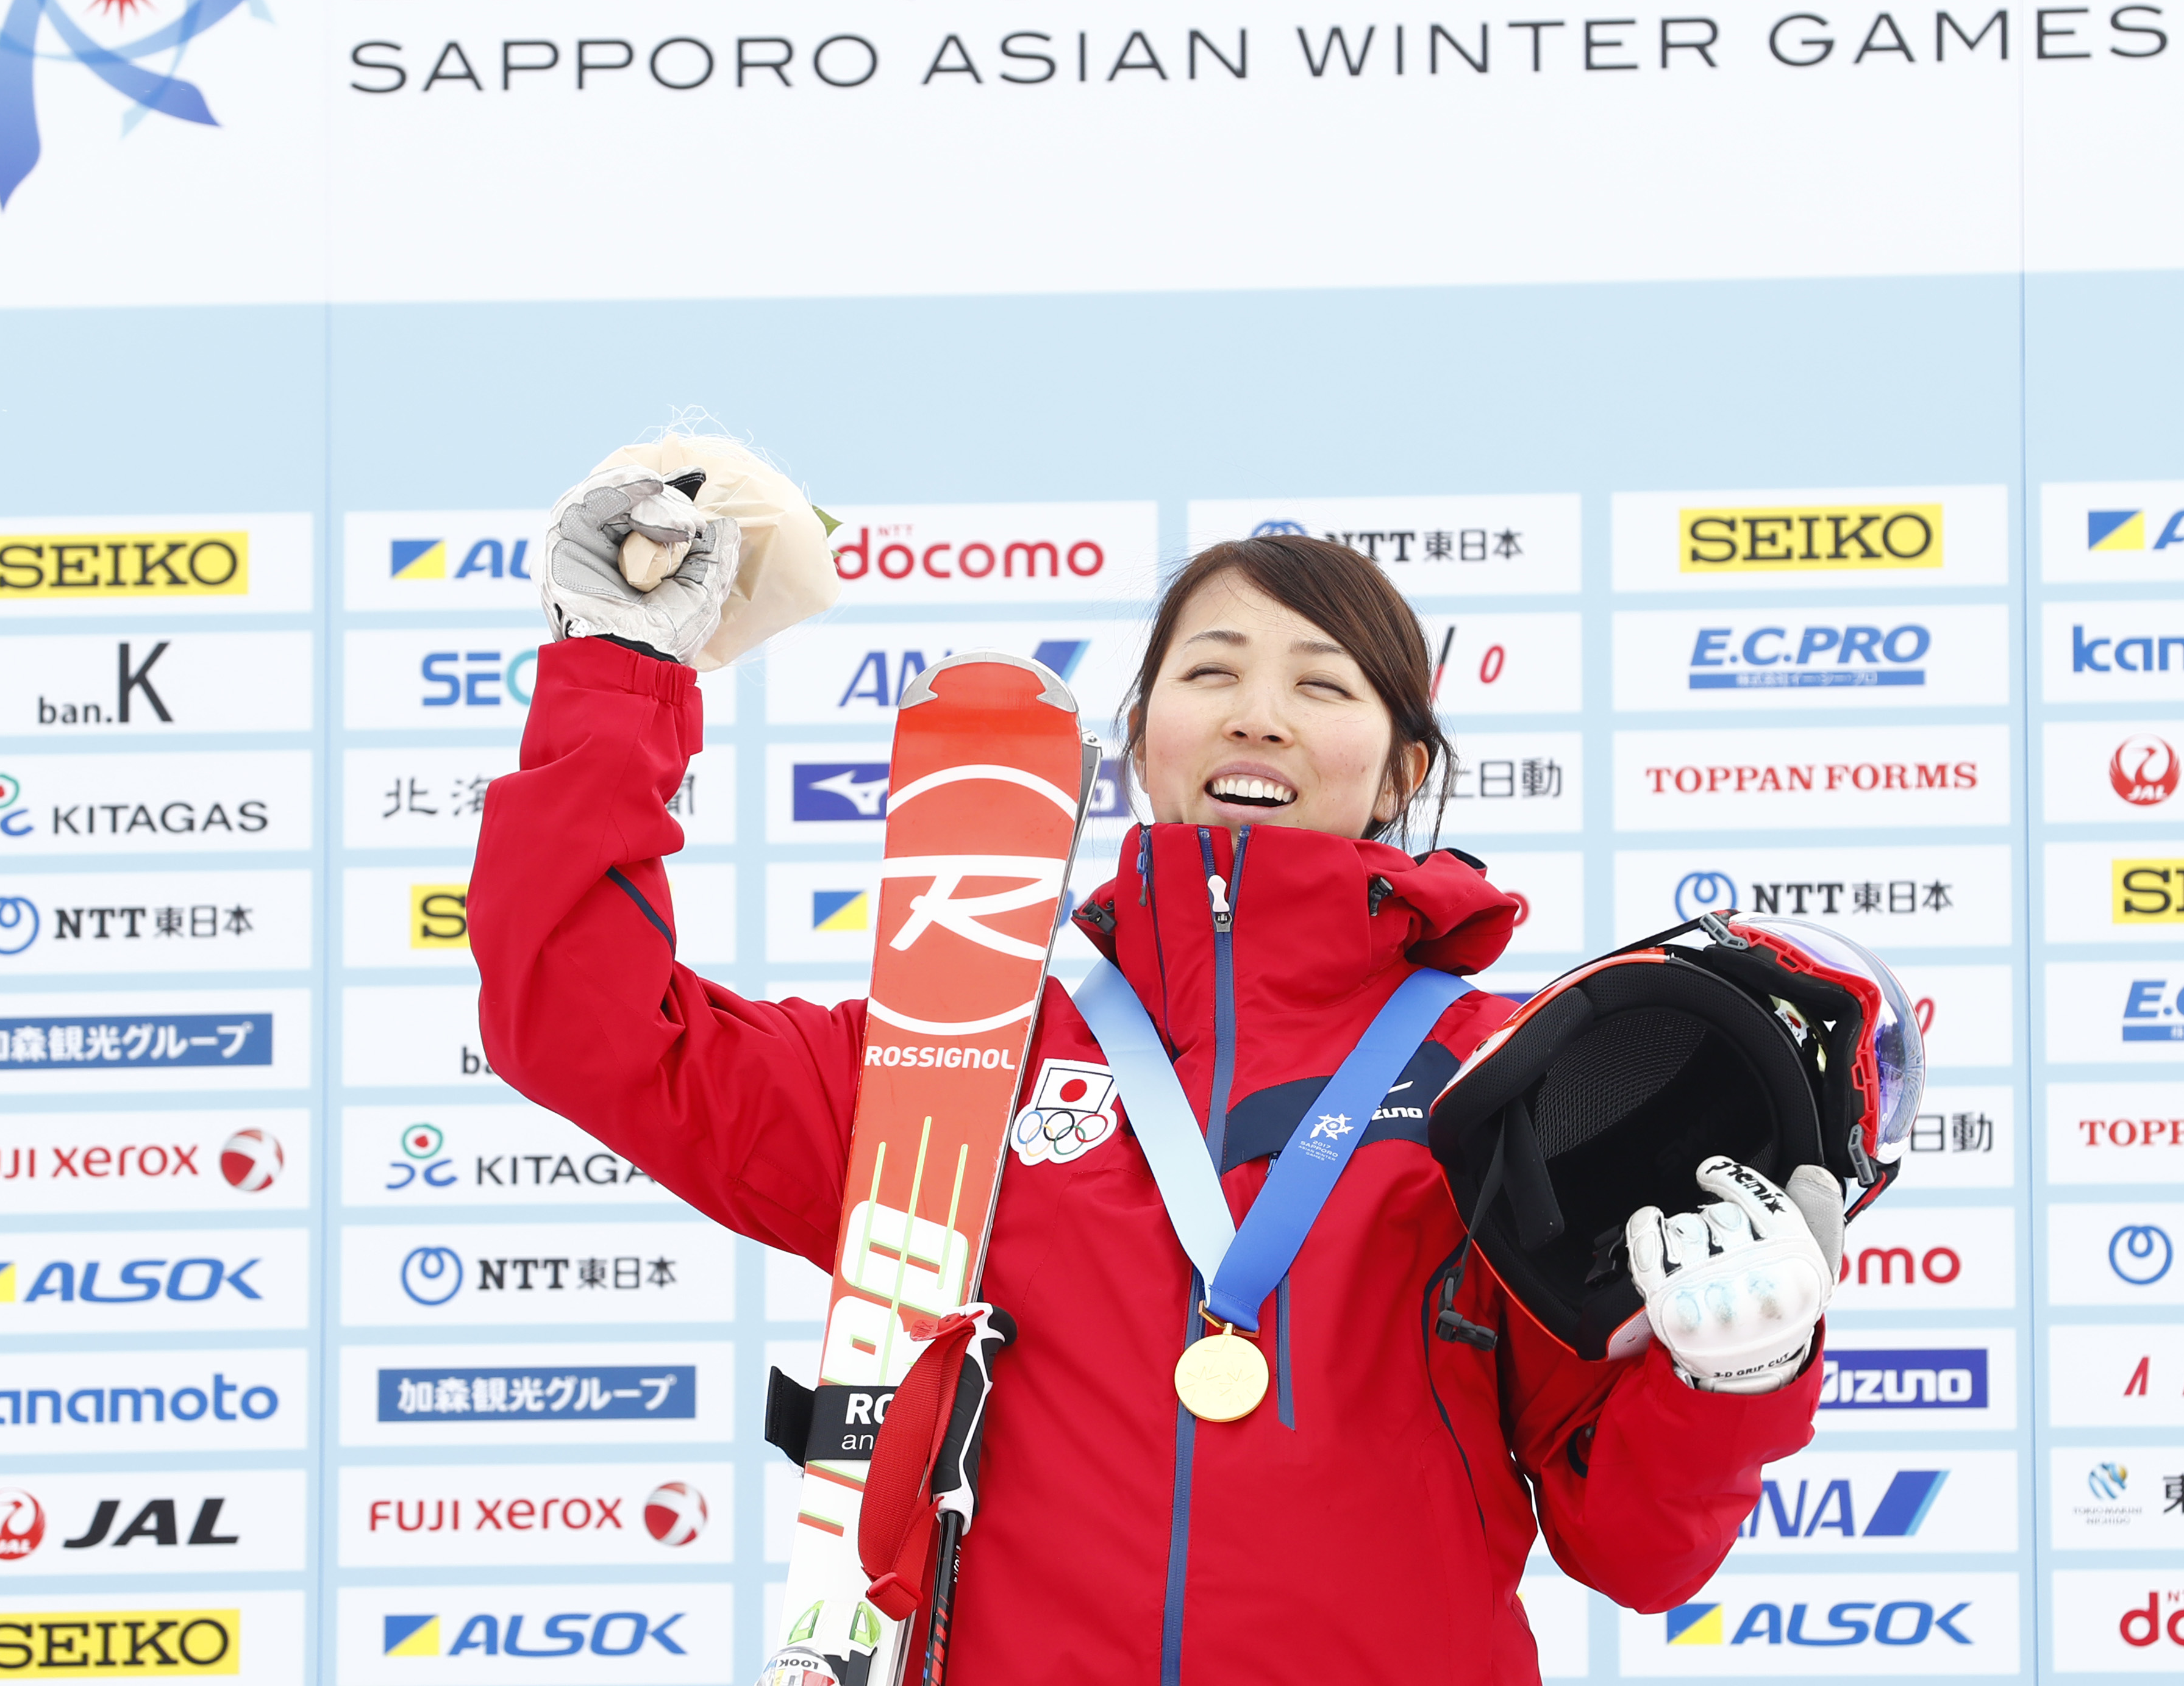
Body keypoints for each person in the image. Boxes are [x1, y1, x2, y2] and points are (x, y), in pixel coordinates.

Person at [471, 477, 1832, 1685]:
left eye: (1321, 684)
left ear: (1402, 768)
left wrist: (1735, 1381)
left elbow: (1635, 1554)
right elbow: (591, 1028)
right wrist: (617, 677)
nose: (1259, 716)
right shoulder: (964, 1058)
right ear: (1135, 742)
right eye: (1212, 672)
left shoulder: (1514, 1075)